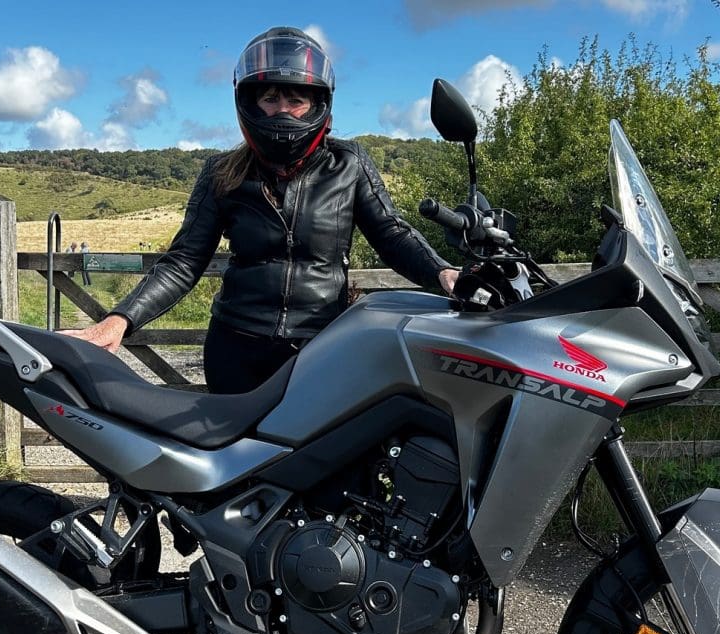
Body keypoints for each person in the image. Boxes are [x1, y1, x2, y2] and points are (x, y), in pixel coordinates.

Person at [64, 26, 459, 394]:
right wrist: (119, 320)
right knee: (234, 464)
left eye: (295, 99)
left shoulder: (348, 164)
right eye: (270, 98)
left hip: (322, 347)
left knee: (329, 462)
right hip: (237, 348)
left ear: (317, 103)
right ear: (250, 102)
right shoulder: (223, 172)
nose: (282, 110)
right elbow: (184, 261)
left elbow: (391, 233)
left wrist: (443, 272)